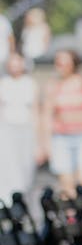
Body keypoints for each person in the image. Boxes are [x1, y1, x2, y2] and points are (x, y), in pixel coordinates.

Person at [42, 49, 82, 197]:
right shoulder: (53, 85)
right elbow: (47, 115)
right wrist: (45, 143)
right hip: (61, 137)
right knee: (66, 184)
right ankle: (71, 217)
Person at [0, 53, 40, 204]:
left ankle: (23, 200)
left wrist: (40, 141)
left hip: (26, 130)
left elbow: (35, 111)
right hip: (7, 130)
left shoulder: (30, 83)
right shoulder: (4, 83)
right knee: (9, 168)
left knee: (26, 169)